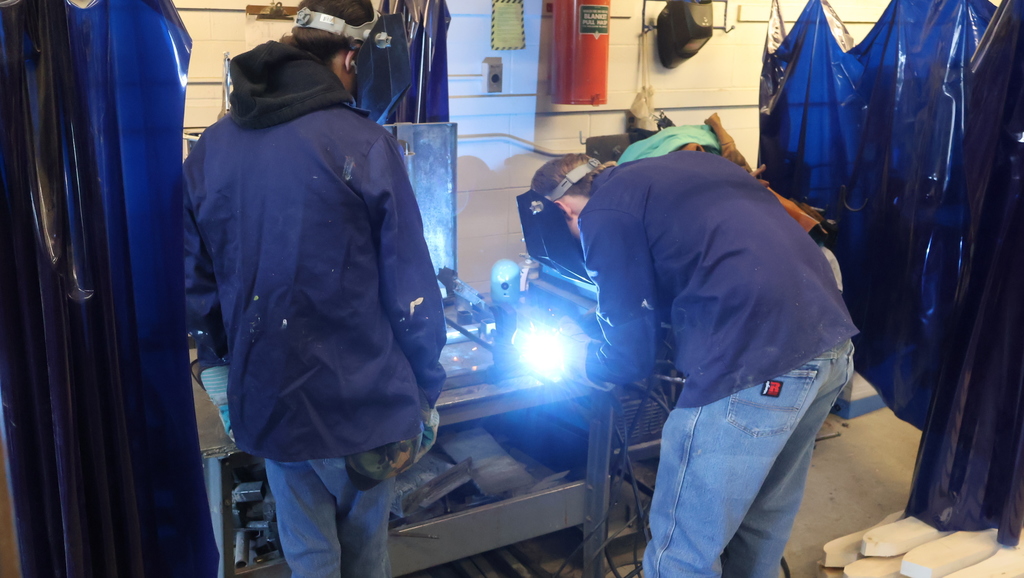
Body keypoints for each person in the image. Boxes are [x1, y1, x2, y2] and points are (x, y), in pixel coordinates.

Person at [183, 0, 447, 575]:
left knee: (310, 557)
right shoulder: (362, 143)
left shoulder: (211, 148)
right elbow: (411, 291)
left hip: (270, 400)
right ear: (352, 58)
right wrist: (427, 385)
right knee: (365, 555)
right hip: (363, 409)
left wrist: (222, 369)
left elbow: (197, 282)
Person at [532, 151, 858, 578]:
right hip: (829, 344)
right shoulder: (697, 167)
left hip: (753, 362)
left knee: (684, 548)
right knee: (761, 518)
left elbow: (628, 356)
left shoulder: (603, 212)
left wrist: (583, 358)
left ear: (563, 208)